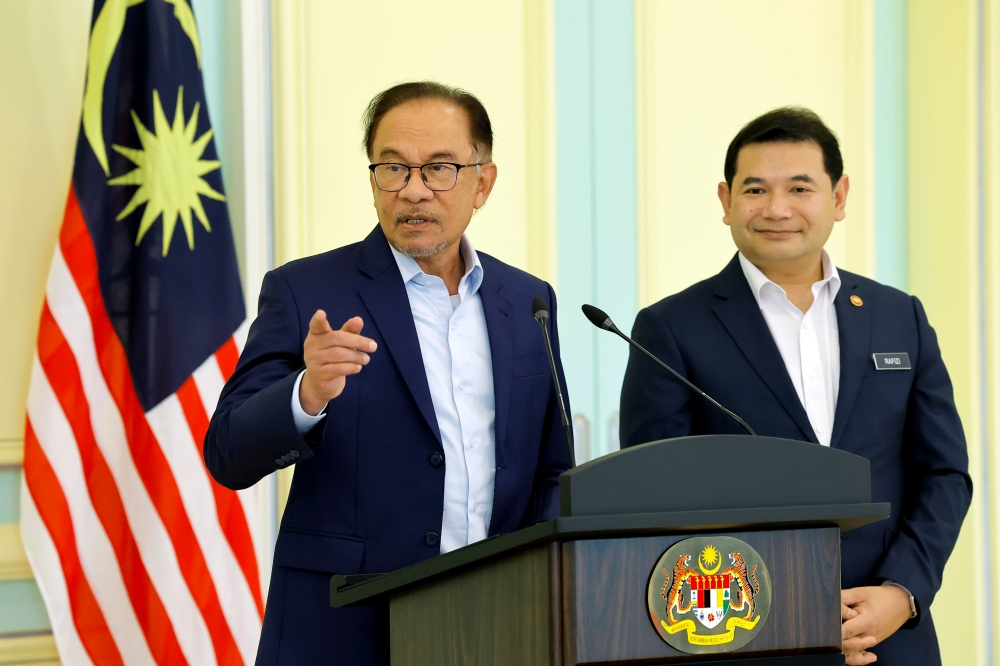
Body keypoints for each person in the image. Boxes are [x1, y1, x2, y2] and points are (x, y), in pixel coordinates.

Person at [205, 81, 572, 665]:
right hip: (344, 630)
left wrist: (545, 597)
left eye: (439, 169)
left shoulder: (528, 301)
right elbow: (228, 454)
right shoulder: (306, 290)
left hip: (498, 626)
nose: (413, 190)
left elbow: (552, 472)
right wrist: (306, 394)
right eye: (393, 168)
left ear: (483, 182)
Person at [620, 107, 971, 665]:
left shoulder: (898, 316)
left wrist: (901, 592)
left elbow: (944, 474)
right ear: (726, 201)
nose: (777, 209)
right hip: (746, 637)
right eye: (755, 189)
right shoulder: (671, 328)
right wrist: (791, 614)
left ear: (839, 196)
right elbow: (655, 499)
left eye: (800, 188)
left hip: (890, 637)